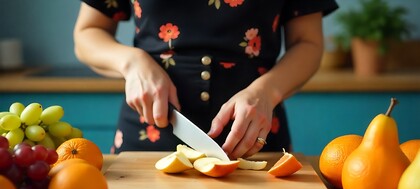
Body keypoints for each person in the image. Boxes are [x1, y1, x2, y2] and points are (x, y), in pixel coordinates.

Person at [74, 0, 338, 159]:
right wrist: (132, 63)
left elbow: (308, 43)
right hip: (147, 135)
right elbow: (87, 33)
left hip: (254, 136)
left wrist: (266, 92)